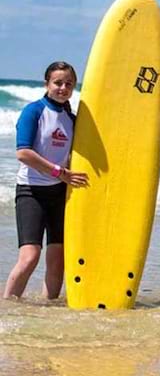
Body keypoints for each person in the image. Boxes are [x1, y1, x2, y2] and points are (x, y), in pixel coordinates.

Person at [4, 62, 89, 300]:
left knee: (57, 258)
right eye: (58, 83)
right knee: (30, 256)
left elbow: (81, 154)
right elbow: (23, 153)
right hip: (31, 191)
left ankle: (48, 308)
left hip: (60, 194)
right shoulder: (34, 111)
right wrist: (58, 171)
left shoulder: (72, 120)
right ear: (47, 84)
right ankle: (8, 305)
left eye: (68, 84)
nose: (63, 88)